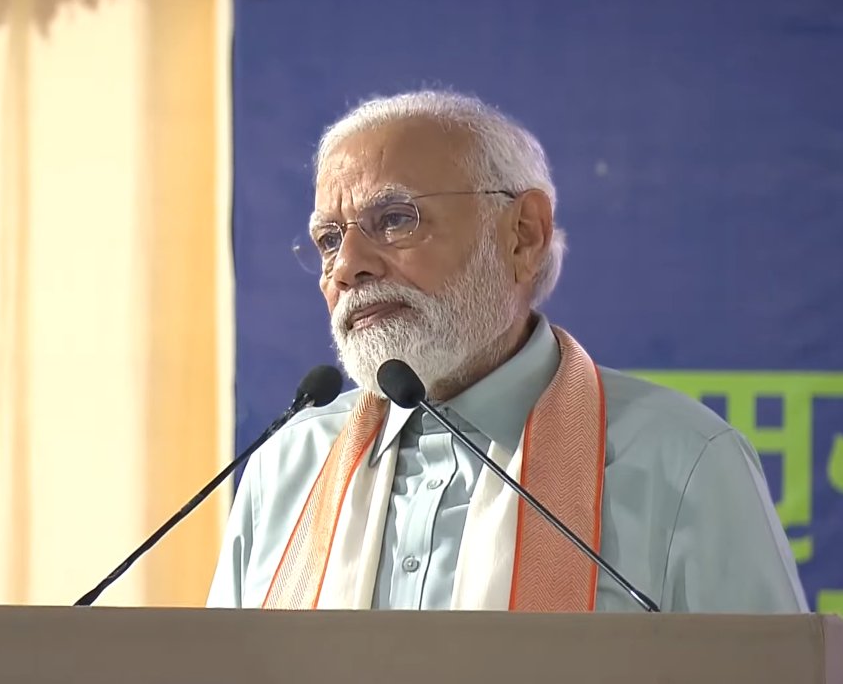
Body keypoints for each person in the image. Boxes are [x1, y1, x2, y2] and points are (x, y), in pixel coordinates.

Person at [206, 89, 808, 613]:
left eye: (394, 219)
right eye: (328, 239)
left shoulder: (683, 461)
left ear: (523, 235)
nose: (348, 266)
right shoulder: (289, 466)